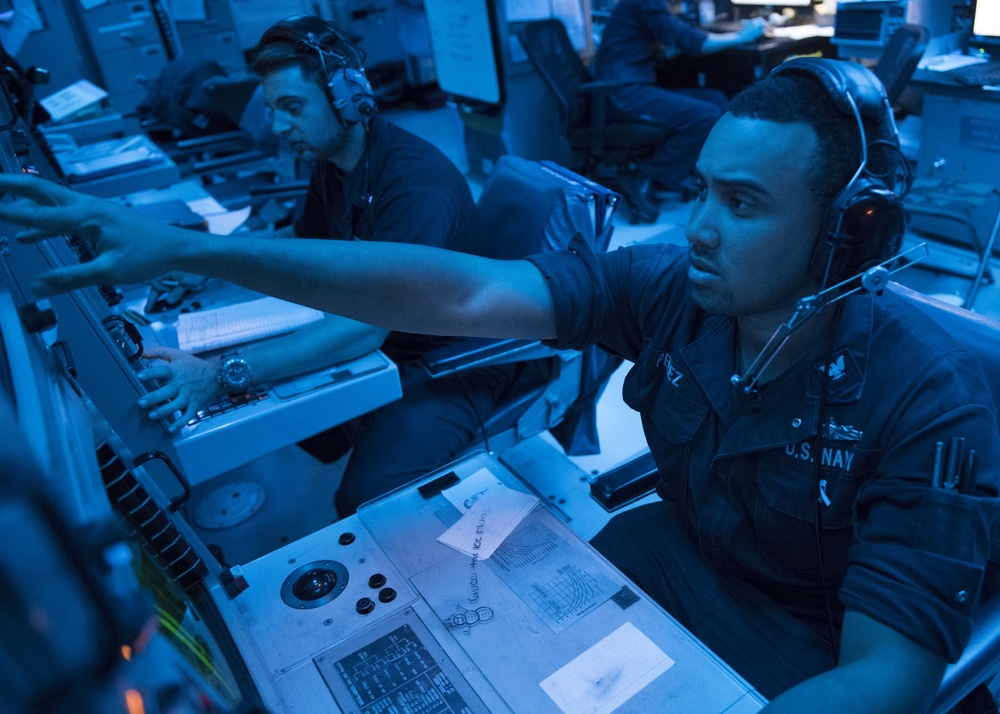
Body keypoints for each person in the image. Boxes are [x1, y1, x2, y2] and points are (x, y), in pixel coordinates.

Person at [2, 58, 998, 712]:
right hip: (673, 556)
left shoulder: (927, 396)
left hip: (803, 638)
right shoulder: (672, 286)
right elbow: (464, 290)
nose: (695, 225)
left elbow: (889, 675)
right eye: (699, 188)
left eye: (740, 203)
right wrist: (186, 250)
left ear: (850, 234)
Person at [136, 15, 524, 517]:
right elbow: (304, 247)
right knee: (288, 418)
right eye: (274, 109)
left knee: (364, 501)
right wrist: (209, 265)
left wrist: (219, 375)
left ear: (347, 99)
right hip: (392, 339)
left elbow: (363, 331)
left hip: (453, 358)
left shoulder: (413, 188)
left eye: (292, 107)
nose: (277, 127)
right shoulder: (336, 162)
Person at [593, 0, 766, 222]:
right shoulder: (646, 3)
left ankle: (696, 174)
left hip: (634, 85)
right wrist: (742, 36)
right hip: (624, 92)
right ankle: (643, 177)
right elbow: (693, 42)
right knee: (704, 117)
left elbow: (678, 35)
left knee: (715, 99)